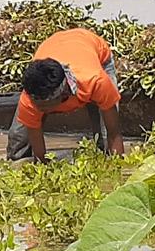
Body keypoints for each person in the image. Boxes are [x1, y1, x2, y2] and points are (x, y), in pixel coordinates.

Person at [7, 28, 125, 162]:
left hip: (95, 51)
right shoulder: (30, 99)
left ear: (62, 95)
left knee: (104, 140)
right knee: (18, 139)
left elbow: (114, 133)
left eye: (44, 107)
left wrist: (119, 169)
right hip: (55, 43)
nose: (38, 109)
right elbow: (39, 156)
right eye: (36, 105)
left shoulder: (96, 81)